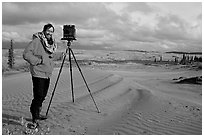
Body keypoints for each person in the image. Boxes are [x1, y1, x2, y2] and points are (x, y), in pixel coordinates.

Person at [23, 23, 63, 125]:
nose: (50, 33)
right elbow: (26, 54)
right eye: (48, 31)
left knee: (43, 95)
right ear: (44, 30)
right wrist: (38, 61)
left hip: (47, 73)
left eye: (51, 31)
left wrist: (59, 56)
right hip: (38, 72)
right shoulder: (37, 41)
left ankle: (37, 113)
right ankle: (34, 116)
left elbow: (49, 57)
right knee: (38, 95)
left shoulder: (51, 43)